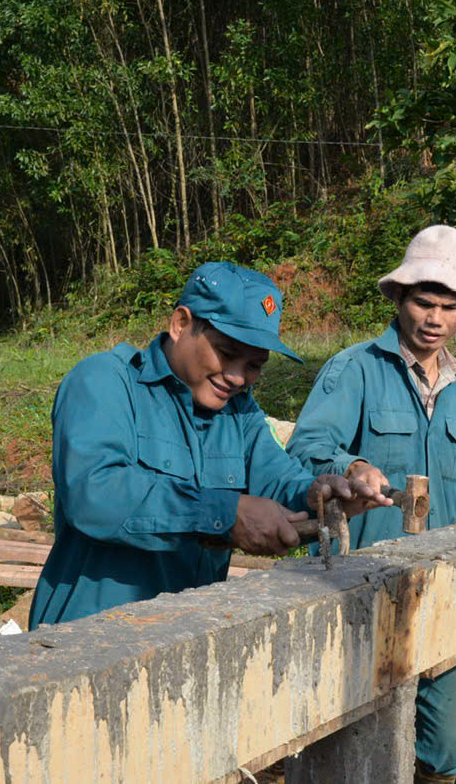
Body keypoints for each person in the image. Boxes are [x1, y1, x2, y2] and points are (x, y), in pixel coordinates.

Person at [29, 262, 388, 629]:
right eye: (225, 353)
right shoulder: (106, 382)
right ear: (181, 324)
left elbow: (278, 479)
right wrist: (224, 515)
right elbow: (94, 493)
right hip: (86, 637)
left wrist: (318, 494)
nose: (236, 377)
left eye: (253, 365)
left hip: (185, 636)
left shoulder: (239, 412)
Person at [286, 225, 456, 784]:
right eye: (424, 301)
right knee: (351, 736)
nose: (434, 318)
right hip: (358, 581)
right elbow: (305, 447)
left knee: (449, 743)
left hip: (443, 583)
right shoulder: (354, 368)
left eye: (450, 307)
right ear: (399, 298)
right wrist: (351, 466)